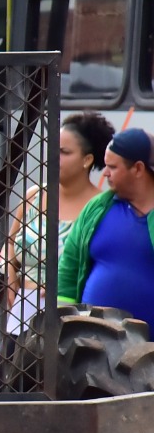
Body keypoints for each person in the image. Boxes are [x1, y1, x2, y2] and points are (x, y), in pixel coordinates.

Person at [6, 111, 115, 336]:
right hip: (21, 316)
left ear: (87, 159)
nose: (54, 156)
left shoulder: (101, 208)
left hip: (72, 323)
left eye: (64, 152)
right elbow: (10, 243)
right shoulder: (33, 196)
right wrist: (11, 277)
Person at [58, 127, 154, 326]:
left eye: (113, 167)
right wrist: (61, 318)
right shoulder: (97, 208)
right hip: (94, 344)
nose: (105, 173)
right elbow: (69, 269)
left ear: (137, 168)